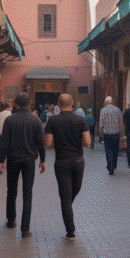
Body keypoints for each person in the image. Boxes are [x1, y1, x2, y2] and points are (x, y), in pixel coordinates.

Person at [0, 92, 46, 238]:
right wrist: (42, 160)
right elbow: (41, 143)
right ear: (30, 103)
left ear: (16, 103)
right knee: (27, 194)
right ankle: (25, 229)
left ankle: (11, 220)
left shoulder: (10, 120)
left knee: (11, 191)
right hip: (29, 161)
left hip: (12, 160)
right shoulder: (36, 121)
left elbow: (4, 142)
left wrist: (1, 160)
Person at [44, 93, 91, 240]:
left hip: (62, 162)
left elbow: (48, 144)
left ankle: (70, 230)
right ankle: (69, 224)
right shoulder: (81, 120)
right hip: (78, 161)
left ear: (58, 104)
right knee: (74, 191)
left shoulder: (53, 120)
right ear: (72, 104)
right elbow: (88, 143)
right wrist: (77, 141)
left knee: (65, 198)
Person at [98, 96, 122, 175]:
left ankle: (110, 168)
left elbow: (101, 123)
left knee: (108, 151)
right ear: (112, 102)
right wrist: (121, 133)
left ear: (105, 102)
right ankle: (114, 165)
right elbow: (121, 123)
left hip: (107, 134)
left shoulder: (103, 110)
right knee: (115, 150)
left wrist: (100, 133)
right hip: (116, 134)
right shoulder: (117, 110)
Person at [0, 102, 12, 174]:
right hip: (8, 135)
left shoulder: (0, 114)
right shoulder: (11, 114)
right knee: (9, 152)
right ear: (9, 107)